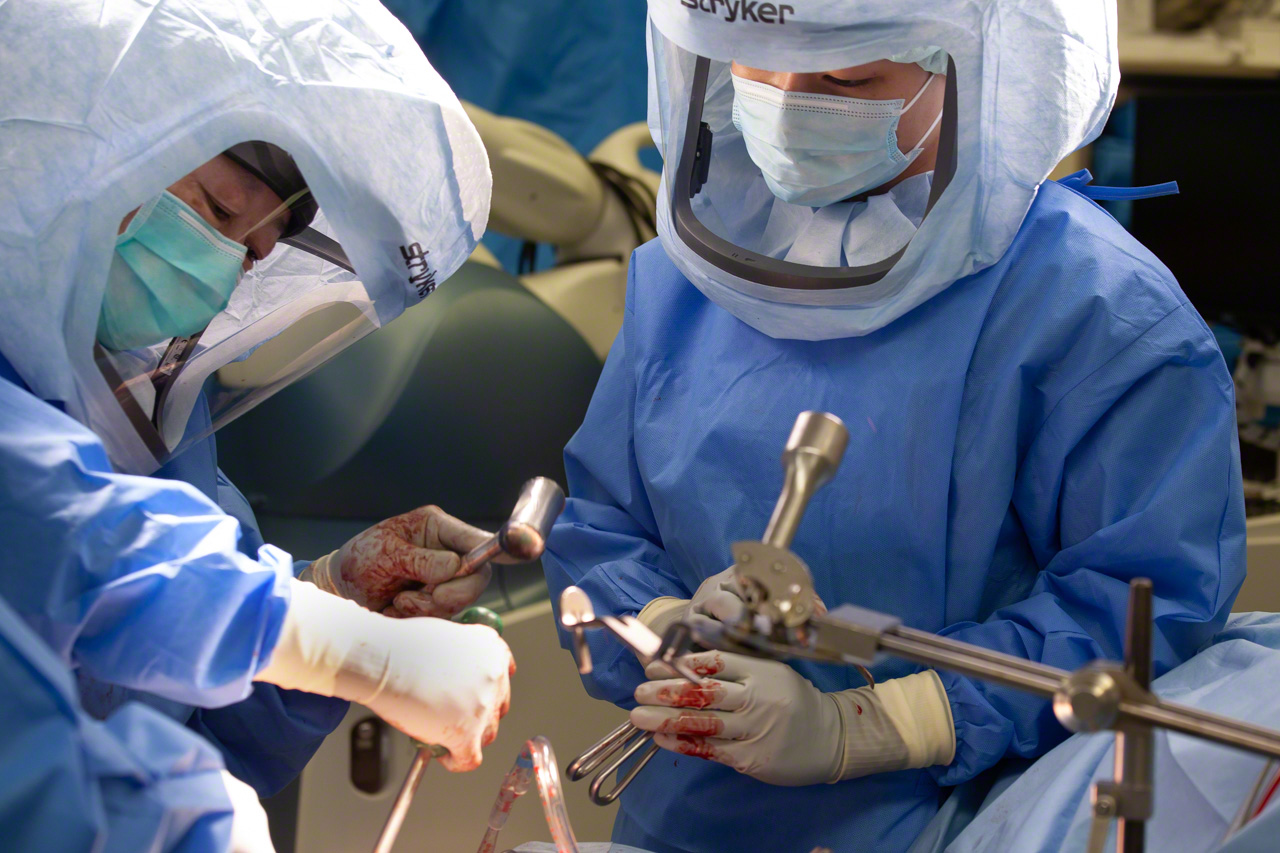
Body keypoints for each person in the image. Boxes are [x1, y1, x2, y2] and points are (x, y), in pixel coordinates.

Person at [542, 2, 1245, 852]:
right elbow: (600, 526)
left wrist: (872, 724)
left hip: (974, 822)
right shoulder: (694, 274)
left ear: (992, 68)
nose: (790, 99)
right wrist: (665, 629)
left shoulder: (1100, 316)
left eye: (847, 77)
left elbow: (1146, 609)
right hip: (683, 818)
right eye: (756, 63)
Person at [1, 1, 513, 850]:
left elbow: (192, 710)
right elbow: (72, 545)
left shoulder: (140, 417)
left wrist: (330, 600)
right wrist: (342, 648)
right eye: (216, 207)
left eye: (252, 248)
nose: (223, 264)